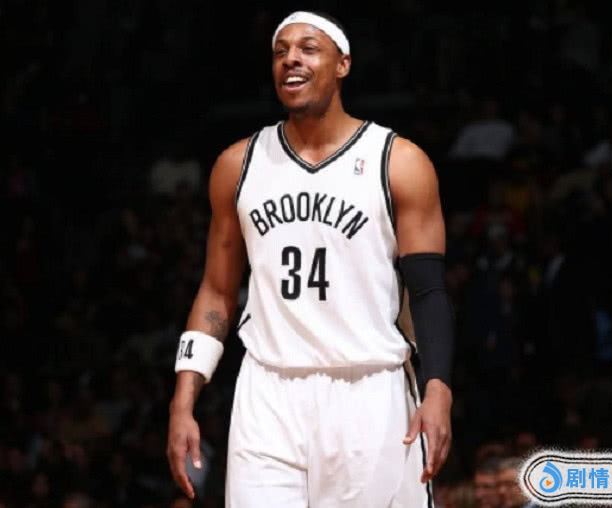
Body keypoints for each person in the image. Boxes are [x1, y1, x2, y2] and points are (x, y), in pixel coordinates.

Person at [167, 10, 455, 507]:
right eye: (280, 52)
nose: (291, 59)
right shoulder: (238, 165)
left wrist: (439, 388)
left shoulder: (398, 161)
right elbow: (216, 291)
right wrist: (183, 398)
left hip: (369, 387)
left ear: (343, 64)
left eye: (308, 48)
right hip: (268, 393)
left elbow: (428, 292)